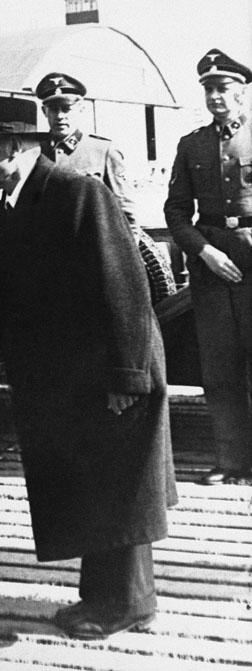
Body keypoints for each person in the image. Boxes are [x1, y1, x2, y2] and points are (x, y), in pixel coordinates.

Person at [0, 95, 176, 640]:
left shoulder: (78, 193)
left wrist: (126, 377)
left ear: (15, 145)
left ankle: (130, 604)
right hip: (70, 378)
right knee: (96, 485)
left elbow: (123, 286)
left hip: (111, 369)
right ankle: (103, 597)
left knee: (119, 488)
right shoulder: (10, 210)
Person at [165, 50, 252, 485]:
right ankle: (232, 461)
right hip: (212, 264)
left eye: (224, 88)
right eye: (209, 90)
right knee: (219, 366)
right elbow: (177, 211)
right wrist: (204, 252)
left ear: (242, 92)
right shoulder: (192, 144)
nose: (216, 97)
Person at [35, 72, 176, 304]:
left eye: (66, 108)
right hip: (48, 262)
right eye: (53, 109)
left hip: (92, 260)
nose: (60, 116)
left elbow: (127, 214)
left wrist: (119, 261)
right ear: (44, 112)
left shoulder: (102, 151)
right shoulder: (35, 153)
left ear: (81, 109)